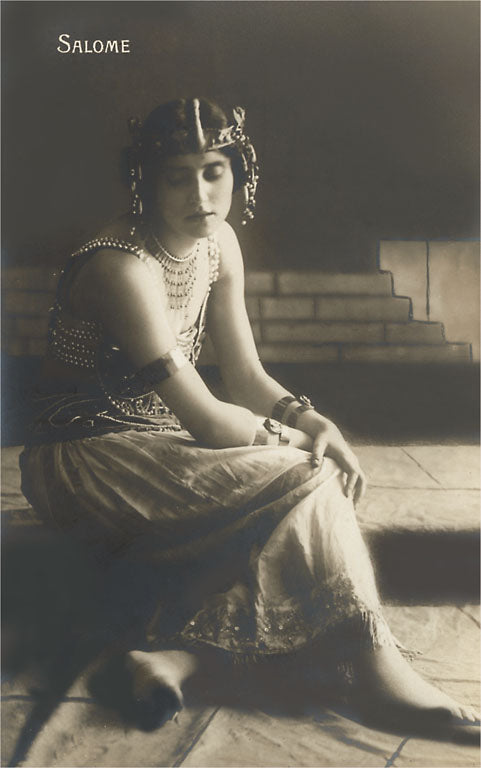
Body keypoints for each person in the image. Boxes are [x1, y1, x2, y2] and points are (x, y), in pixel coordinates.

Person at [20, 98, 478, 737]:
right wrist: (297, 448)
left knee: (299, 489)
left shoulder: (218, 244)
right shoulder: (119, 267)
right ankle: (378, 670)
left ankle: (174, 661)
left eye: (214, 172)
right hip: (82, 458)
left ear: (240, 174)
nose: (200, 195)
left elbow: (244, 376)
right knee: (306, 481)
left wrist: (313, 421)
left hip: (159, 441)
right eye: (177, 177)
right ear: (144, 182)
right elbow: (208, 421)